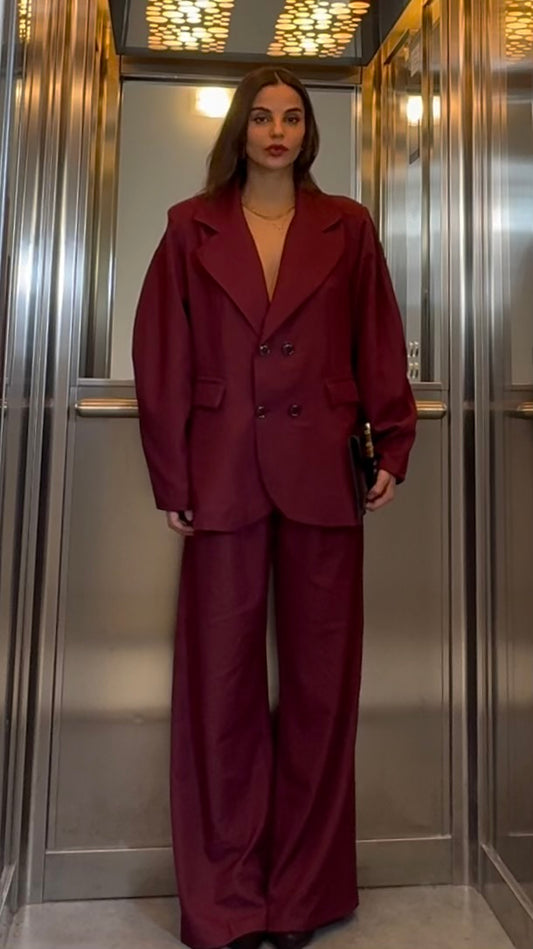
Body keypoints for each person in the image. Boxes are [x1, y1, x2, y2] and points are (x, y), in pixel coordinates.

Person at [132, 66, 416, 949]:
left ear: (308, 133)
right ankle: (223, 902)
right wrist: (172, 476)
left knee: (321, 690)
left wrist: (392, 443)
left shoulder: (348, 226)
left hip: (323, 472)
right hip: (221, 474)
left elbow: (378, 337)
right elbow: (160, 356)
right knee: (217, 690)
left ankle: (301, 896)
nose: (277, 131)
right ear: (240, 131)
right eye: (261, 117)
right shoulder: (188, 226)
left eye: (292, 117)